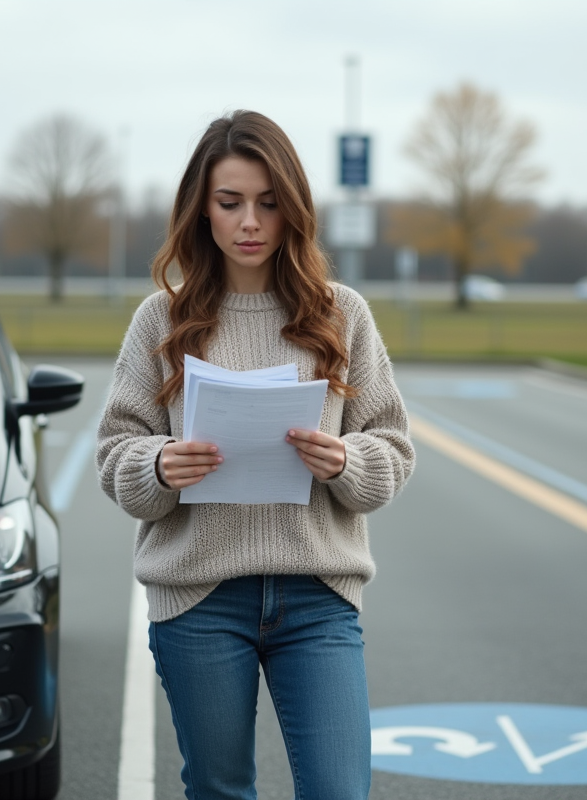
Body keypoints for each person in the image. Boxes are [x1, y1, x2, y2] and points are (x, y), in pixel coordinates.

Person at [96, 109, 414, 799]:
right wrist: (158, 467)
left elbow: (391, 446)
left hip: (319, 595)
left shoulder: (343, 314)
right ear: (200, 210)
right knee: (220, 790)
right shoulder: (161, 320)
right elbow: (114, 454)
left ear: (292, 209)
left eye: (269, 204)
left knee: (339, 790)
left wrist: (345, 462)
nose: (250, 222)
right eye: (230, 202)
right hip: (199, 597)